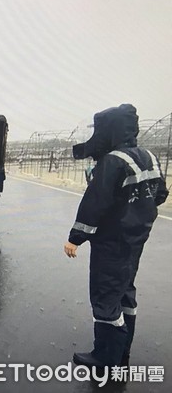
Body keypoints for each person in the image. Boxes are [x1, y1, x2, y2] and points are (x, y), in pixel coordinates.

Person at [64, 104, 169, 368]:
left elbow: (94, 204)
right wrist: (136, 214)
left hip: (112, 241)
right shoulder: (148, 156)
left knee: (105, 295)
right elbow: (160, 194)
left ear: (109, 130)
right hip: (135, 240)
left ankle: (106, 358)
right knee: (125, 291)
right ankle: (122, 350)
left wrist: (75, 238)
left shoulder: (112, 161)